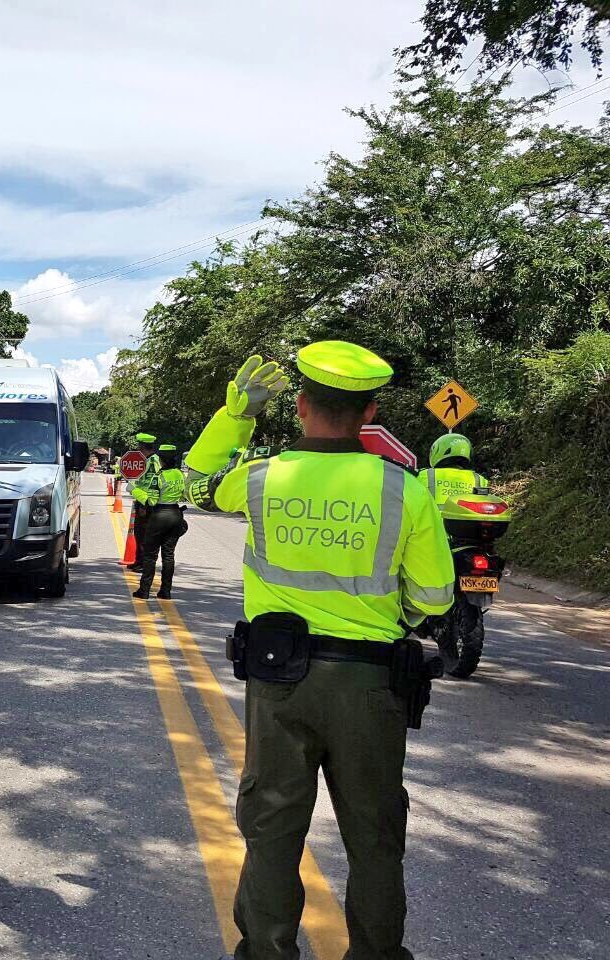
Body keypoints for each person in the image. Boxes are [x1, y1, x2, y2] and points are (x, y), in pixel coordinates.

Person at [183, 343, 455, 960]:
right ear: (370, 411)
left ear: (301, 405)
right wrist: (391, 617)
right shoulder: (405, 490)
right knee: (375, 835)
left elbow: (196, 480)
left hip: (279, 682)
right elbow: (436, 598)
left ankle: (269, 951)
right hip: (372, 686)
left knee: (273, 828)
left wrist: (238, 415)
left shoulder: (261, 479)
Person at [131, 443, 188, 600]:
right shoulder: (180, 475)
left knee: (150, 555)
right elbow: (184, 495)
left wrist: (134, 490)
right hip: (176, 514)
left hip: (159, 516)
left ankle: (144, 590)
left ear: (161, 460)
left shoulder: (159, 477)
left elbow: (151, 501)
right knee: (168, 555)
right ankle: (165, 591)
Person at [418, 433, 487, 508]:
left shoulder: (423, 475)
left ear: (437, 450)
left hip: (432, 520)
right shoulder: (479, 479)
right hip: (466, 519)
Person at [128, 432, 160, 573]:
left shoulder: (152, 461)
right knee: (139, 534)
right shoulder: (150, 460)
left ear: (142, 447)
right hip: (143, 500)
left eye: (139, 446)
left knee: (144, 535)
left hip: (147, 503)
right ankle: (139, 561)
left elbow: (152, 484)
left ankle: (143, 564)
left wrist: (144, 505)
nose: (138, 449)